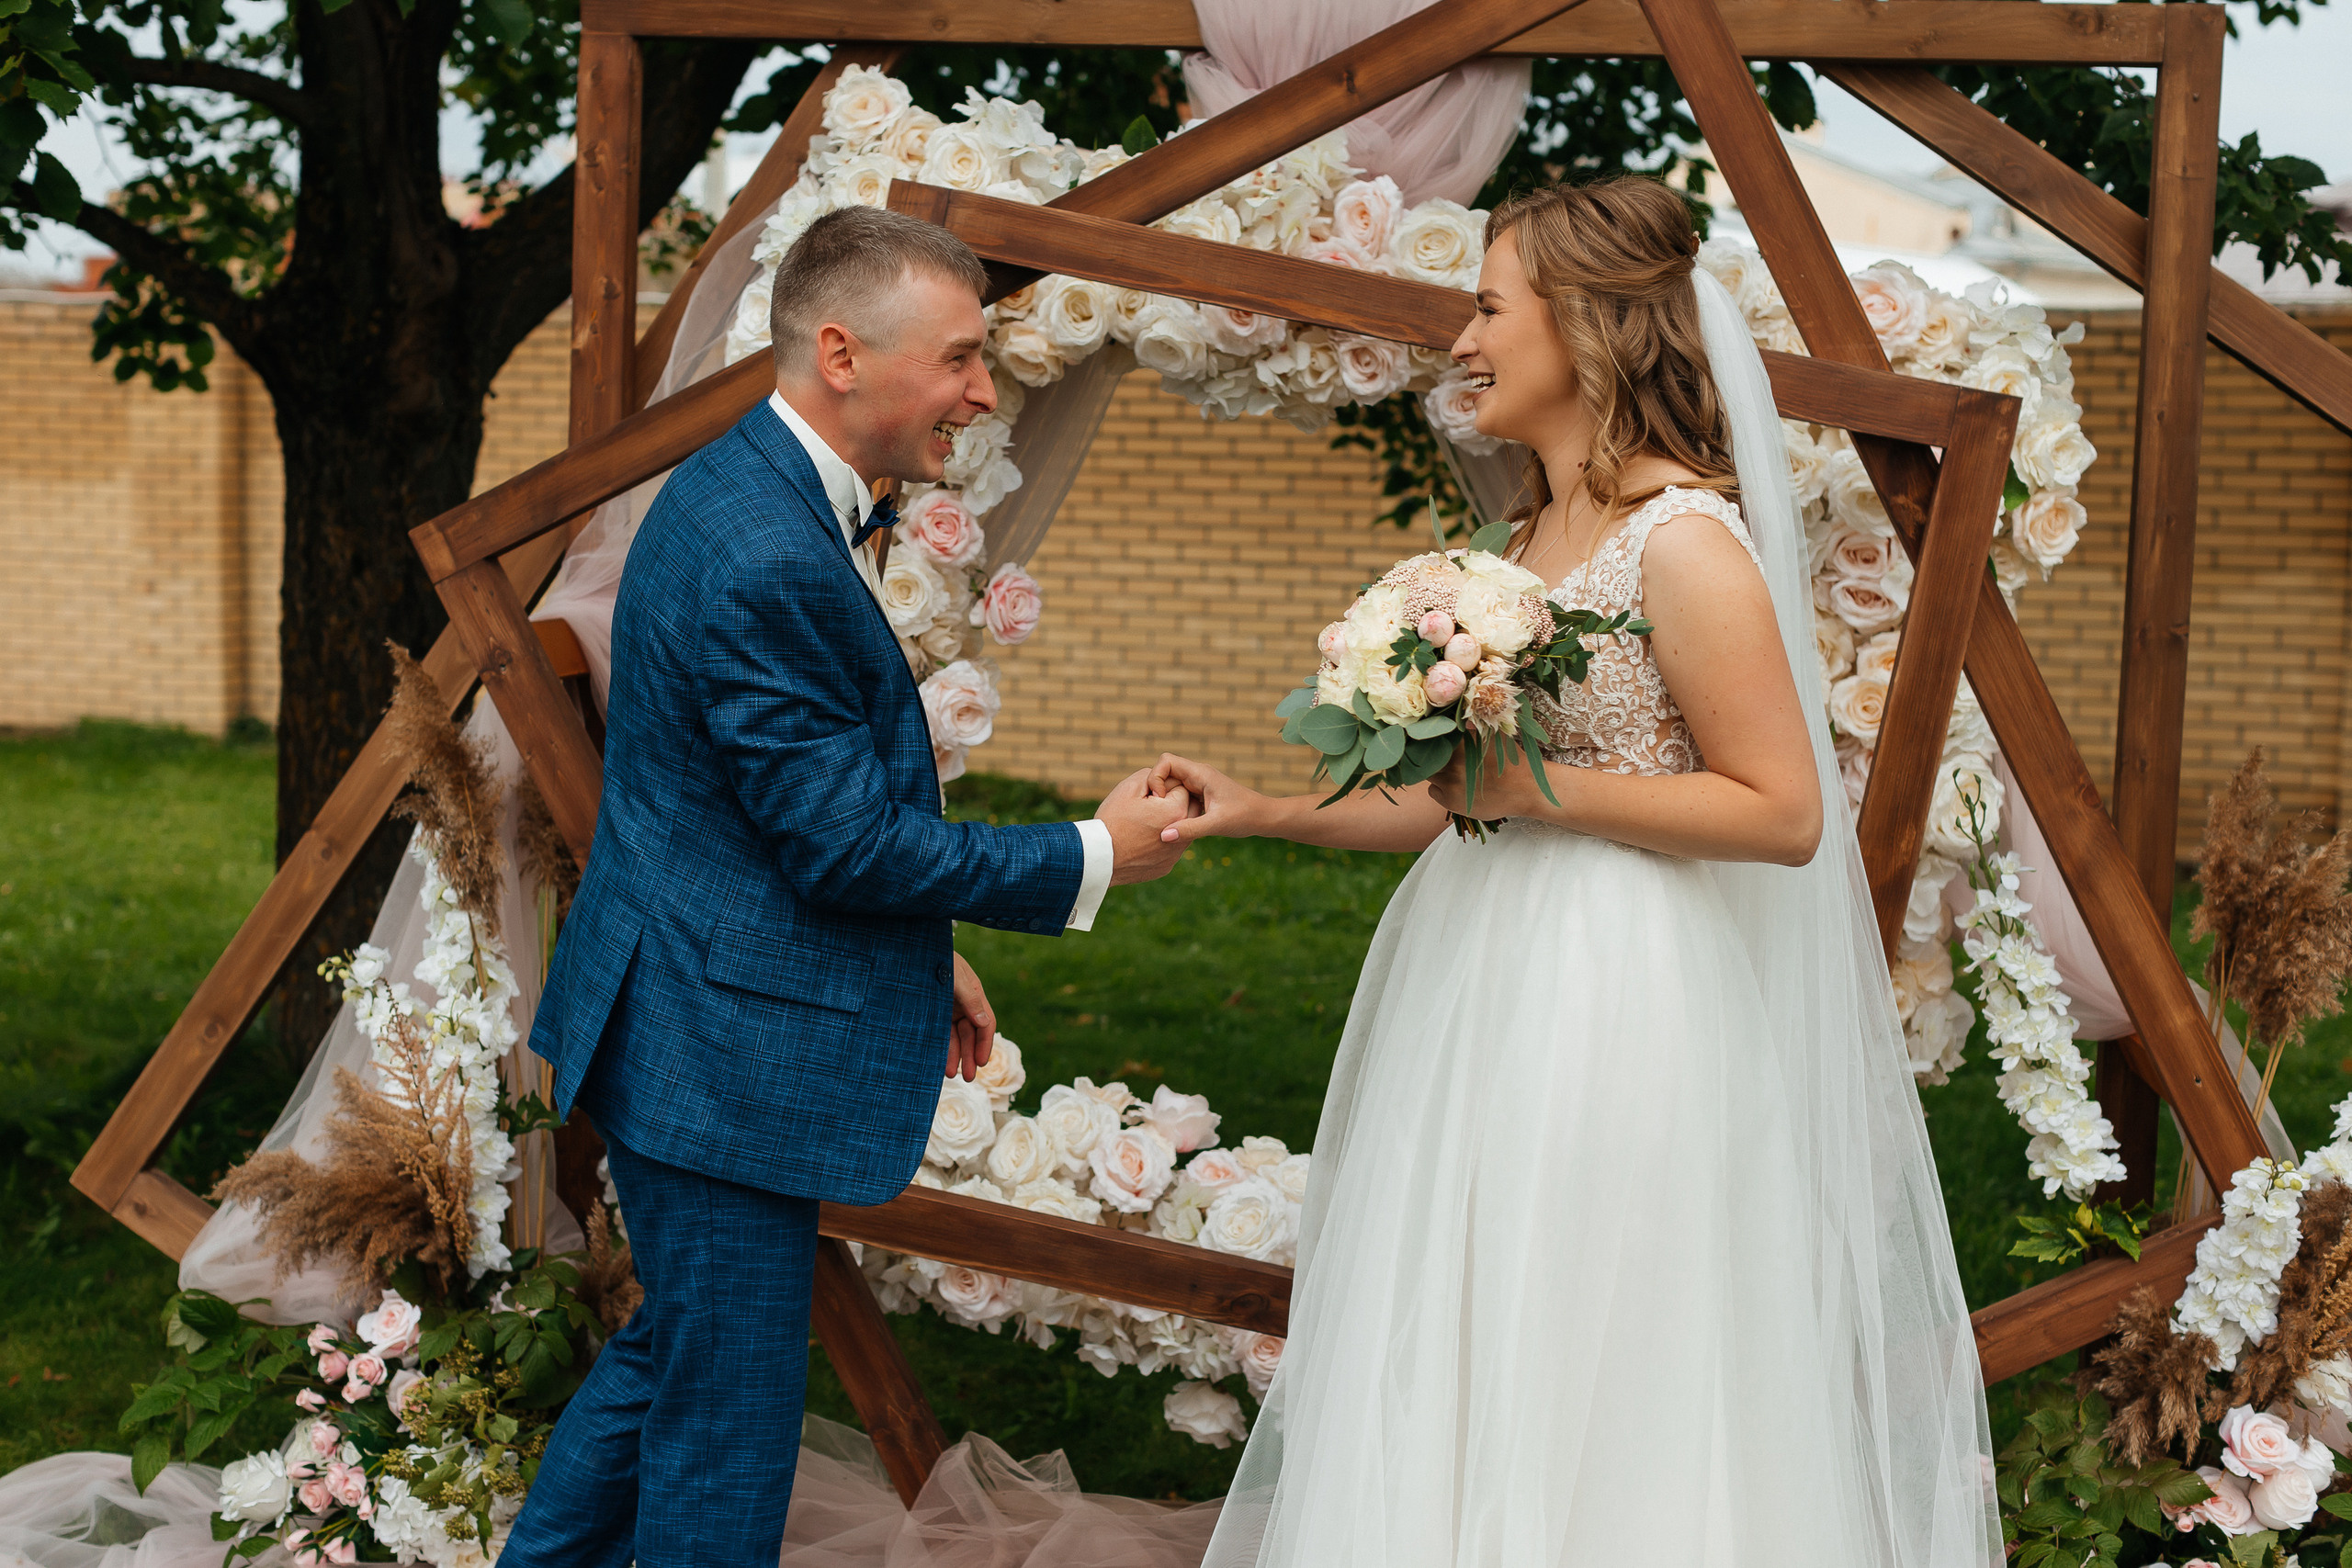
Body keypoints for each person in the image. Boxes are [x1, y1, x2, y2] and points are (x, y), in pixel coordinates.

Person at [1155, 179, 1997, 1566]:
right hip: (1479, 979)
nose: (1463, 341)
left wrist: (1537, 788)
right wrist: (1262, 811)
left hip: (1621, 994)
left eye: (1490, 308)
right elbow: (1459, 811)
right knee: (1467, 1311)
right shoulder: (1515, 549)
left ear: (1590, 329)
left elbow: (1785, 812)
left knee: (1596, 1328)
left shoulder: (1685, 546)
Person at [500, 205, 1191, 1568]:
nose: (985, 389)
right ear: (839, 352)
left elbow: (750, 804)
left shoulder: (747, 486)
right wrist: (1092, 852)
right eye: (959, 357)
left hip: (687, 995)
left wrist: (918, 952)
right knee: (727, 1420)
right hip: (719, 1045)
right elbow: (843, 845)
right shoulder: (765, 549)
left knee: (674, 1357)